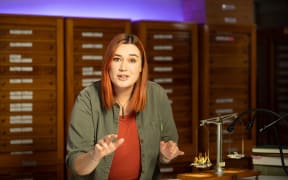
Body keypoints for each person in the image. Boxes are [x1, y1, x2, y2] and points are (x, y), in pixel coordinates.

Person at [66, 33, 184, 180]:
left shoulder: (157, 95)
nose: (123, 67)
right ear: (108, 64)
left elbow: (168, 146)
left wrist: (167, 155)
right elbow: (76, 165)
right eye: (117, 59)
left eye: (132, 60)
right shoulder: (87, 98)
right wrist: (94, 156)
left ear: (141, 66)